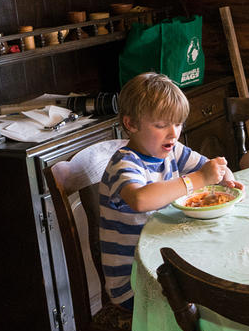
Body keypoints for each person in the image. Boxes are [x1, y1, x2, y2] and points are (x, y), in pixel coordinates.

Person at [99, 72, 241, 311]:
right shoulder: (125, 164)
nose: (173, 133)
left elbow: (208, 165)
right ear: (131, 124)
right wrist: (197, 179)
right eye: (161, 125)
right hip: (136, 282)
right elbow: (141, 199)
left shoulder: (171, 150)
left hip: (165, 261)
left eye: (177, 123)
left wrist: (225, 175)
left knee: (230, 270)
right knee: (215, 300)